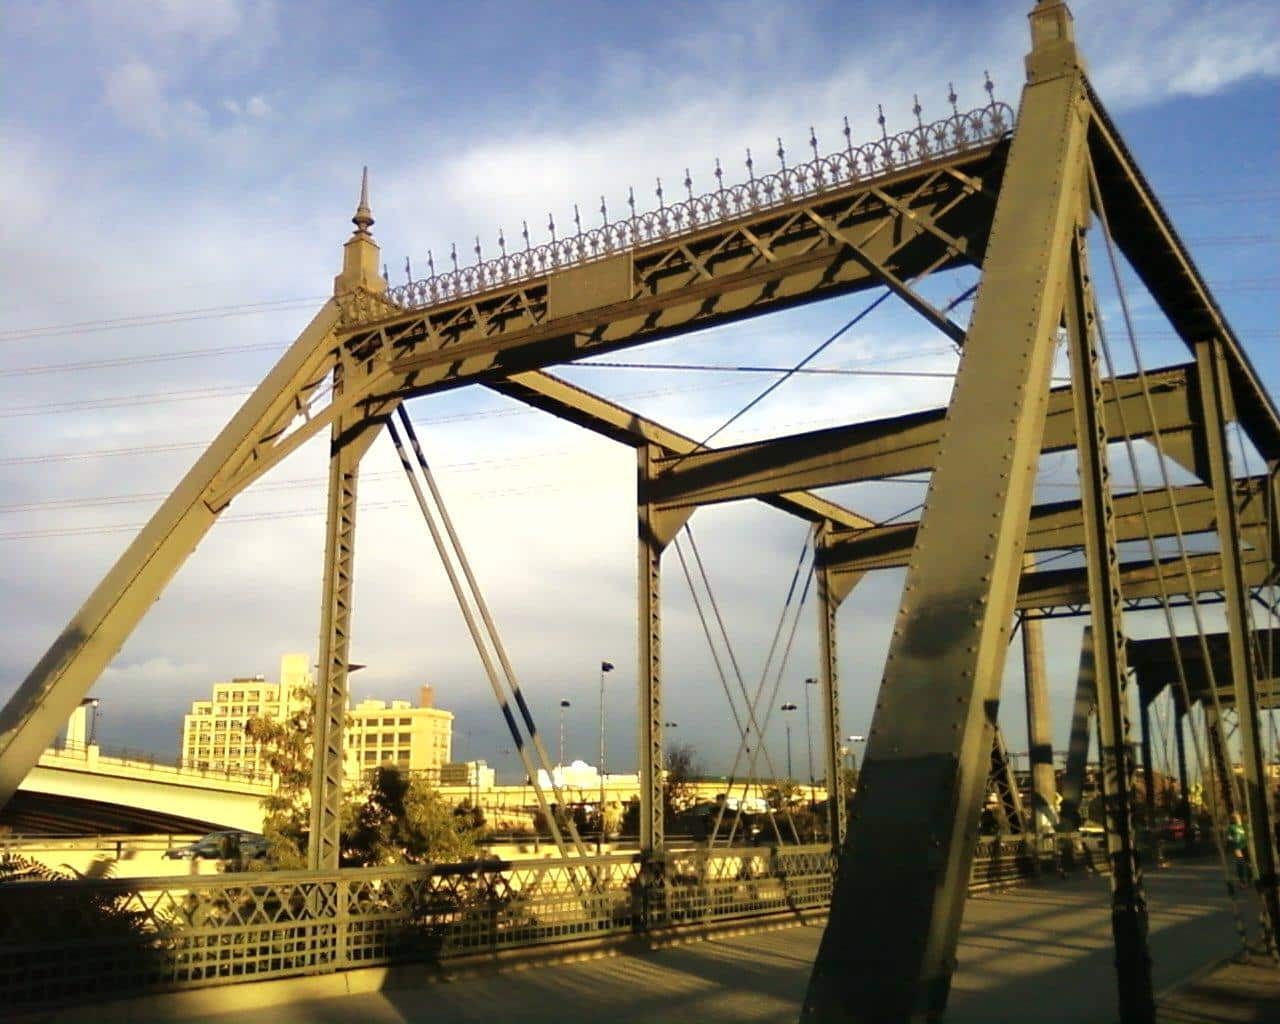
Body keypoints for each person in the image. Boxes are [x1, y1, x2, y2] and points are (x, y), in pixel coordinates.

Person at [1226, 813, 1250, 886]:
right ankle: (1242, 881)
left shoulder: (1244, 826)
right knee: (1240, 862)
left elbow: (1249, 834)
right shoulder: (1231, 827)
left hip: (1246, 846)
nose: (1237, 819)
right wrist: (1232, 839)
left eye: (1238, 817)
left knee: (1248, 863)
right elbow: (1229, 837)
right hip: (1237, 847)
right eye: (1234, 818)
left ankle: (1249, 879)